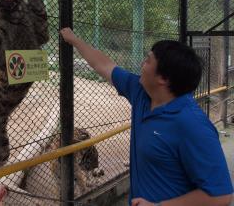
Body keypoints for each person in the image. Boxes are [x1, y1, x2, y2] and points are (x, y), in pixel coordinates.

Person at [60, 27, 233, 206]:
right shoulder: (141, 92)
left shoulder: (192, 124)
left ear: (163, 79)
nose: (142, 64)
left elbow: (220, 195)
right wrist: (74, 40)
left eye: (148, 60)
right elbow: (104, 65)